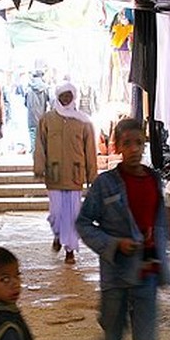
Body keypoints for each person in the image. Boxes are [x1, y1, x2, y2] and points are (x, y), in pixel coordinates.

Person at [76, 118, 170, 340]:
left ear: (145, 144)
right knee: (112, 338)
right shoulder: (105, 185)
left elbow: (157, 224)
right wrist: (113, 244)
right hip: (116, 278)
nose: (133, 149)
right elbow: (84, 223)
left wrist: (161, 259)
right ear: (116, 146)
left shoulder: (154, 180)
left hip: (145, 278)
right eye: (126, 143)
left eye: (138, 143)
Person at [34, 82, 98, 265]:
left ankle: (70, 250)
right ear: (57, 97)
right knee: (55, 213)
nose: (66, 99)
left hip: (75, 174)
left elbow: (90, 150)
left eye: (69, 96)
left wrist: (92, 176)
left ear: (74, 97)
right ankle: (57, 234)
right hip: (54, 174)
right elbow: (40, 145)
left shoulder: (83, 121)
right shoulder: (47, 119)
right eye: (63, 96)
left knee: (72, 214)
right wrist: (39, 167)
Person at [24, 70, 51, 154]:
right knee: (42, 136)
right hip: (42, 116)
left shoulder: (28, 89)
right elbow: (49, 101)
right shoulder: (45, 89)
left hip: (31, 116)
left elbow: (25, 103)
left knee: (32, 134)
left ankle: (34, 152)